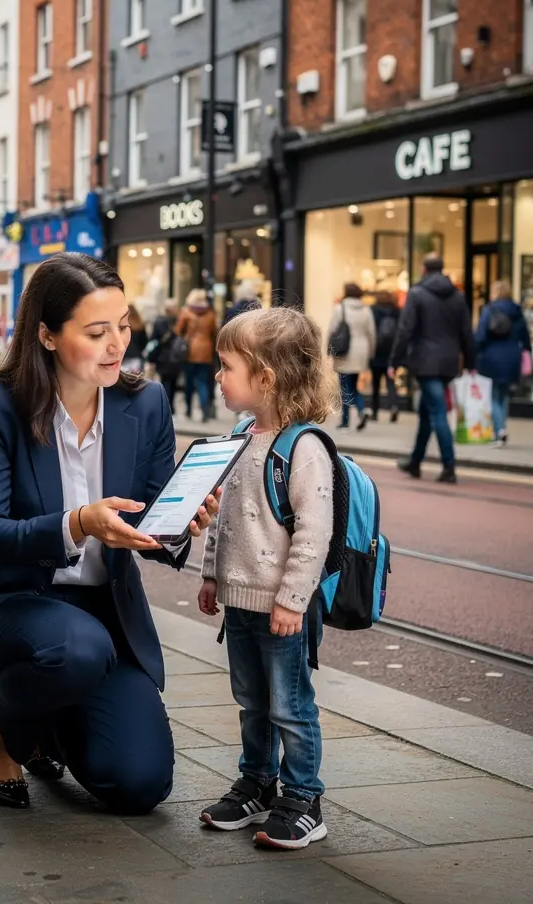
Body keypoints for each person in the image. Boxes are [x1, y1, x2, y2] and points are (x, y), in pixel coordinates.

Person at [0, 254, 218, 816]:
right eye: (96, 333)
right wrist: (76, 524)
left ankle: (46, 724)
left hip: (103, 612)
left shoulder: (144, 403)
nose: (116, 345)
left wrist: (179, 526)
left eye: (123, 325)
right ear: (47, 335)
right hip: (12, 603)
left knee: (139, 784)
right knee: (76, 648)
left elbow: (147, 518)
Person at [198, 307, 340, 849]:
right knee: (251, 700)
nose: (218, 376)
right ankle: (257, 782)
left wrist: (293, 599)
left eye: (227, 366)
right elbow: (224, 517)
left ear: (266, 377)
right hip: (240, 603)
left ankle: (303, 797)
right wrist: (211, 575)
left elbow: (314, 534)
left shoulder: (303, 448)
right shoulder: (238, 435)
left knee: (290, 706)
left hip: (283, 610)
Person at [390, 254, 474, 484]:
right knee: (427, 412)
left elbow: (405, 330)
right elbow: (466, 333)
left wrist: (394, 361)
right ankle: (415, 462)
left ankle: (449, 466)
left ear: (424, 269)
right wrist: (470, 363)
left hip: (426, 362)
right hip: (449, 363)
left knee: (437, 413)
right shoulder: (457, 296)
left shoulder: (417, 294)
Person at [475, 279, 530, 448]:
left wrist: (474, 354)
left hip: (492, 357)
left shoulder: (489, 310)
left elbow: (480, 336)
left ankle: (499, 431)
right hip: (512, 357)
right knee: (503, 395)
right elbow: (525, 337)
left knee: (493, 396)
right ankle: (501, 428)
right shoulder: (517, 311)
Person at [329, 283, 375, 431]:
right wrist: (371, 353)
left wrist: (329, 351)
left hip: (344, 350)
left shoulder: (340, 309)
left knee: (345, 387)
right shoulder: (366, 310)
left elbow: (332, 330)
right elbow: (371, 333)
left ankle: (346, 420)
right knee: (354, 385)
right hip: (361, 351)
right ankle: (362, 410)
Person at [176, 288, 217, 421]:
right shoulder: (210, 314)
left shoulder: (186, 312)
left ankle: (188, 411)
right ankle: (204, 411)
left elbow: (178, 330)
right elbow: (215, 332)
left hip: (190, 351)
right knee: (203, 382)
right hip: (206, 351)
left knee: (188, 382)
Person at [369, 290, 400, 422]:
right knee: (390, 382)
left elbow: (370, 331)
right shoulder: (396, 311)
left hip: (377, 352)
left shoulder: (373, 310)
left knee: (375, 384)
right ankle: (394, 405)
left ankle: (375, 412)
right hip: (391, 353)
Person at [148, 299, 181, 407]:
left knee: (165, 381)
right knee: (173, 381)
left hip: (162, 355)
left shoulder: (158, 321)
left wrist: (151, 358)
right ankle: (171, 404)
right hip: (175, 355)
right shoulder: (177, 322)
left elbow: (153, 339)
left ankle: (166, 405)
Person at [123, 304, 149, 373]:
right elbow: (144, 342)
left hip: (124, 356)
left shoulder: (123, 326)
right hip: (137, 357)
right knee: (136, 378)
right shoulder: (140, 325)